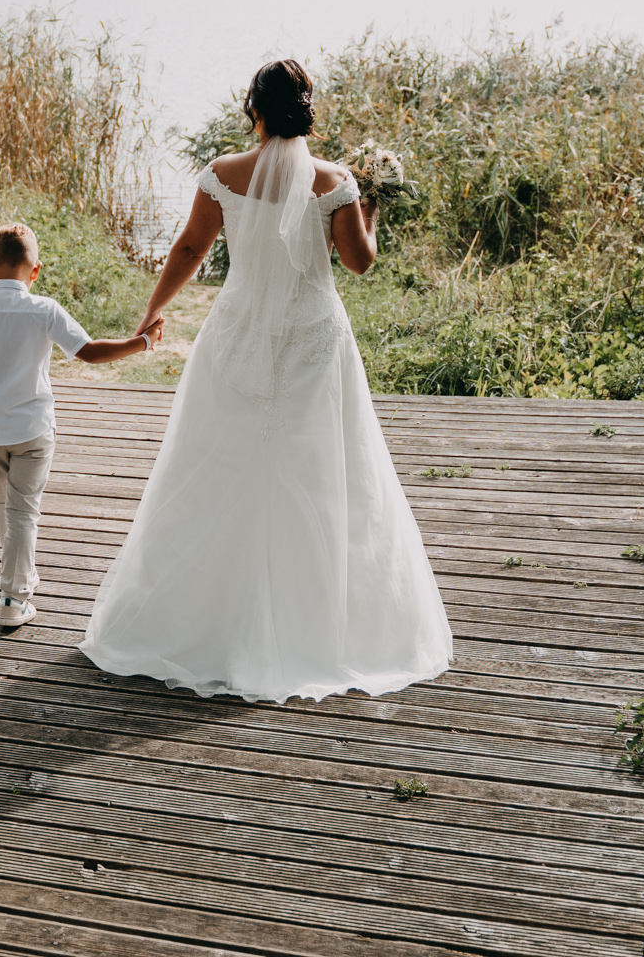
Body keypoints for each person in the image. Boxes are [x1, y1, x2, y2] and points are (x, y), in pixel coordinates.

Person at [80, 59, 453, 702]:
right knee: (320, 473)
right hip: (312, 340)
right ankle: (320, 626)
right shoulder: (336, 182)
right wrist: (371, 205)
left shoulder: (222, 174)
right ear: (306, 109)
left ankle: (197, 620)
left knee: (216, 463)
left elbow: (189, 249)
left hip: (238, 334)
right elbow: (360, 263)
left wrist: (153, 311)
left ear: (253, 107)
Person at [0, 223, 162, 626]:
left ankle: (19, 577)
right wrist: (142, 342)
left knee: (6, 506)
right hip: (33, 431)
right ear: (36, 271)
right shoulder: (45, 310)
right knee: (23, 511)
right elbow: (89, 352)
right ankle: (13, 598)